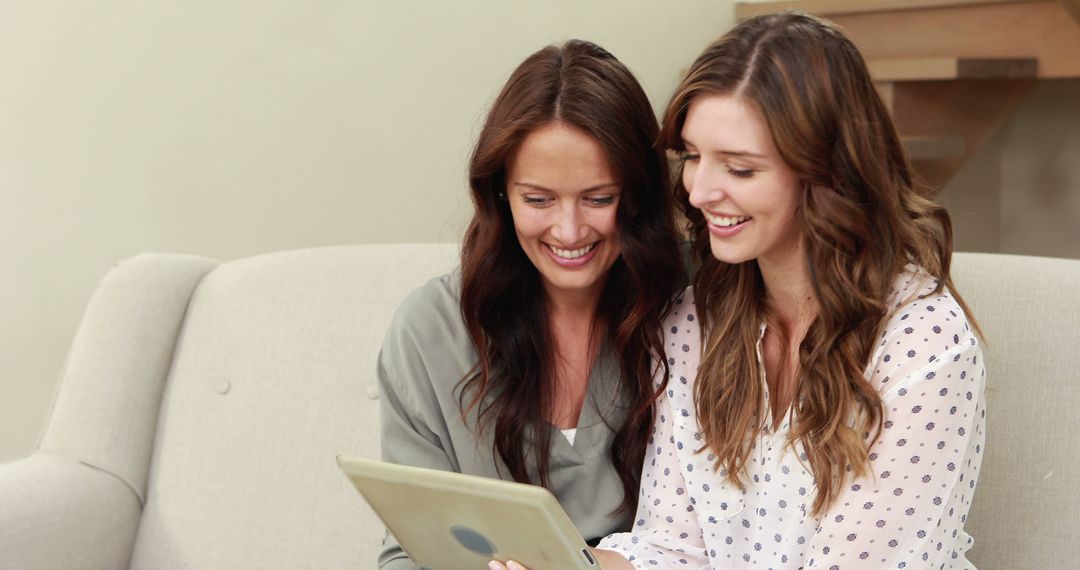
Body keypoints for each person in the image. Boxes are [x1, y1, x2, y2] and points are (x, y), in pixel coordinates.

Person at [494, 11, 987, 570]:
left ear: (826, 173)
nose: (700, 191)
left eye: (741, 169)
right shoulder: (692, 323)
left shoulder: (924, 344)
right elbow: (670, 548)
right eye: (694, 157)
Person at [375, 39, 684, 569]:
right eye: (538, 200)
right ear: (499, 194)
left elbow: (734, 537)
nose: (568, 231)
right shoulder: (429, 332)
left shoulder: (694, 309)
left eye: (599, 198)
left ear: (638, 193)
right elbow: (406, 553)